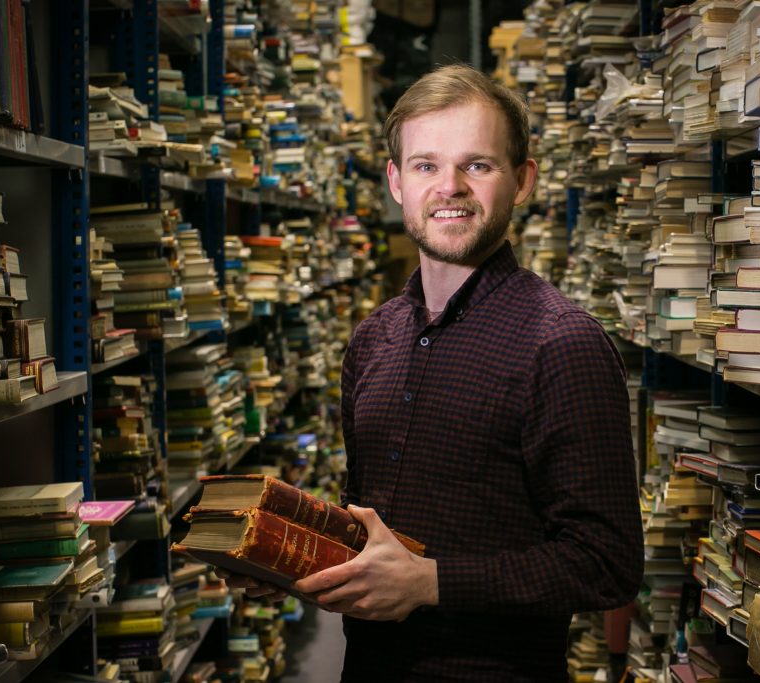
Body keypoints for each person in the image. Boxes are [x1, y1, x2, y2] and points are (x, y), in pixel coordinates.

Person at [238, 63, 644, 681]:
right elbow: (373, 528)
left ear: (523, 180)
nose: (449, 186)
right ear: (397, 182)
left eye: (477, 165)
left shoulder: (563, 344)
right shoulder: (373, 339)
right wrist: (297, 562)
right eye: (426, 165)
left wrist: (429, 584)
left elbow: (607, 562)